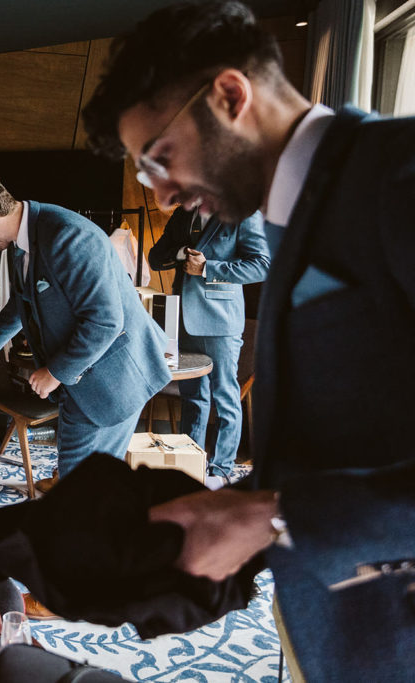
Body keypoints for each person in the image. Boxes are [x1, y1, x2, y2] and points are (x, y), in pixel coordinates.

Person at [77, 0, 415, 677]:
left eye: (160, 157)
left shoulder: (398, 172)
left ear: (230, 94)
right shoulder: (293, 209)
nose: (164, 194)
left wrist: (278, 516)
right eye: (149, 173)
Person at [0, 174, 171, 480]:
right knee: (82, 481)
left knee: (79, 482)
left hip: (111, 377)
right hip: (80, 381)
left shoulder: (69, 237)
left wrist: (54, 372)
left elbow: (105, 321)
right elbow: (23, 298)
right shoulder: (22, 239)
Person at [148, 207, 269, 482]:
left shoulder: (244, 214)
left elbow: (262, 264)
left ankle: (221, 471)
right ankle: (190, 468)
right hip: (180, 320)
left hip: (221, 322)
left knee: (225, 398)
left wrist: (207, 268)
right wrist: (180, 254)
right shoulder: (182, 213)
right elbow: (155, 258)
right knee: (193, 398)